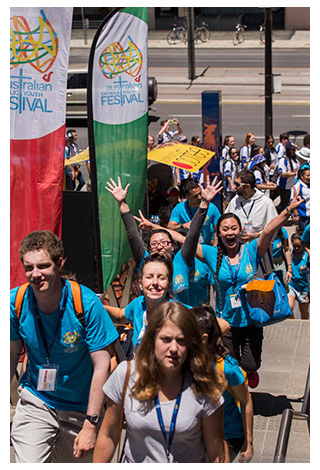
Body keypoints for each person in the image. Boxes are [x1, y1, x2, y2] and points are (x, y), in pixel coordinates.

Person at [179, 175, 303, 388]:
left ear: (240, 231)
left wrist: (288, 209)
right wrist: (203, 204)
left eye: (233, 228)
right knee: (230, 368)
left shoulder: (252, 249)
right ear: (219, 233)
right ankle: (237, 399)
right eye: (225, 229)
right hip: (225, 322)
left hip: (252, 319)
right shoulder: (211, 254)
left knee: (251, 363)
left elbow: (268, 230)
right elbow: (188, 241)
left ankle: (249, 373)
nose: (229, 233)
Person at [10, 230, 119, 463]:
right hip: (37, 401)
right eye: (29, 267)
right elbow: (10, 354)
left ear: (59, 264)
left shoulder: (85, 304)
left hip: (80, 408)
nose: (35, 274)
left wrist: (91, 423)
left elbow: (102, 366)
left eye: (43, 266)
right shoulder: (15, 302)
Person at [93, 301, 230, 463]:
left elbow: (218, 453)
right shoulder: (126, 375)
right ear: (151, 339)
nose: (173, 348)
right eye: (165, 339)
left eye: (181, 340)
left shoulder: (204, 384)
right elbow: (108, 434)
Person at [105, 176, 217, 308]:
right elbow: (133, 237)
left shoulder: (181, 260)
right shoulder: (146, 261)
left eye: (164, 242)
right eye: (155, 244)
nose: (160, 247)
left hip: (181, 321)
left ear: (172, 246)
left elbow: (192, 235)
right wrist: (122, 204)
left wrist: (204, 204)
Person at [193, 304, 254, 463]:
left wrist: (248, 444)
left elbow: (246, 401)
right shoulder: (187, 362)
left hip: (228, 436)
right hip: (198, 435)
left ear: (204, 338)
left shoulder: (227, 368)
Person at [168, 179, 221, 246]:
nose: (199, 197)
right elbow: (170, 227)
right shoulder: (179, 208)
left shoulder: (211, 207)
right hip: (187, 248)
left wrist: (215, 248)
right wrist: (183, 225)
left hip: (206, 247)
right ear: (187, 197)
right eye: (195, 196)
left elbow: (218, 230)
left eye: (200, 194)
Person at [288, 233, 310, 320]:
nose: (296, 248)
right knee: (289, 308)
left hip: (304, 288)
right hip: (292, 285)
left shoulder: (308, 256)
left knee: (304, 313)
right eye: (294, 246)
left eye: (299, 246)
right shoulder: (289, 254)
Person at [277, 141, 300, 213]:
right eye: (291, 150)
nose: (293, 151)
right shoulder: (283, 160)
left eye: (294, 150)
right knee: (284, 205)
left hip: (293, 185)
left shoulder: (295, 160)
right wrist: (294, 174)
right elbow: (282, 173)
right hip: (285, 186)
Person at [291, 167, 310, 233]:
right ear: (302, 176)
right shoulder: (297, 187)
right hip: (303, 217)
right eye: (308, 175)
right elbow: (293, 202)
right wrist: (296, 215)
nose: (310, 177)